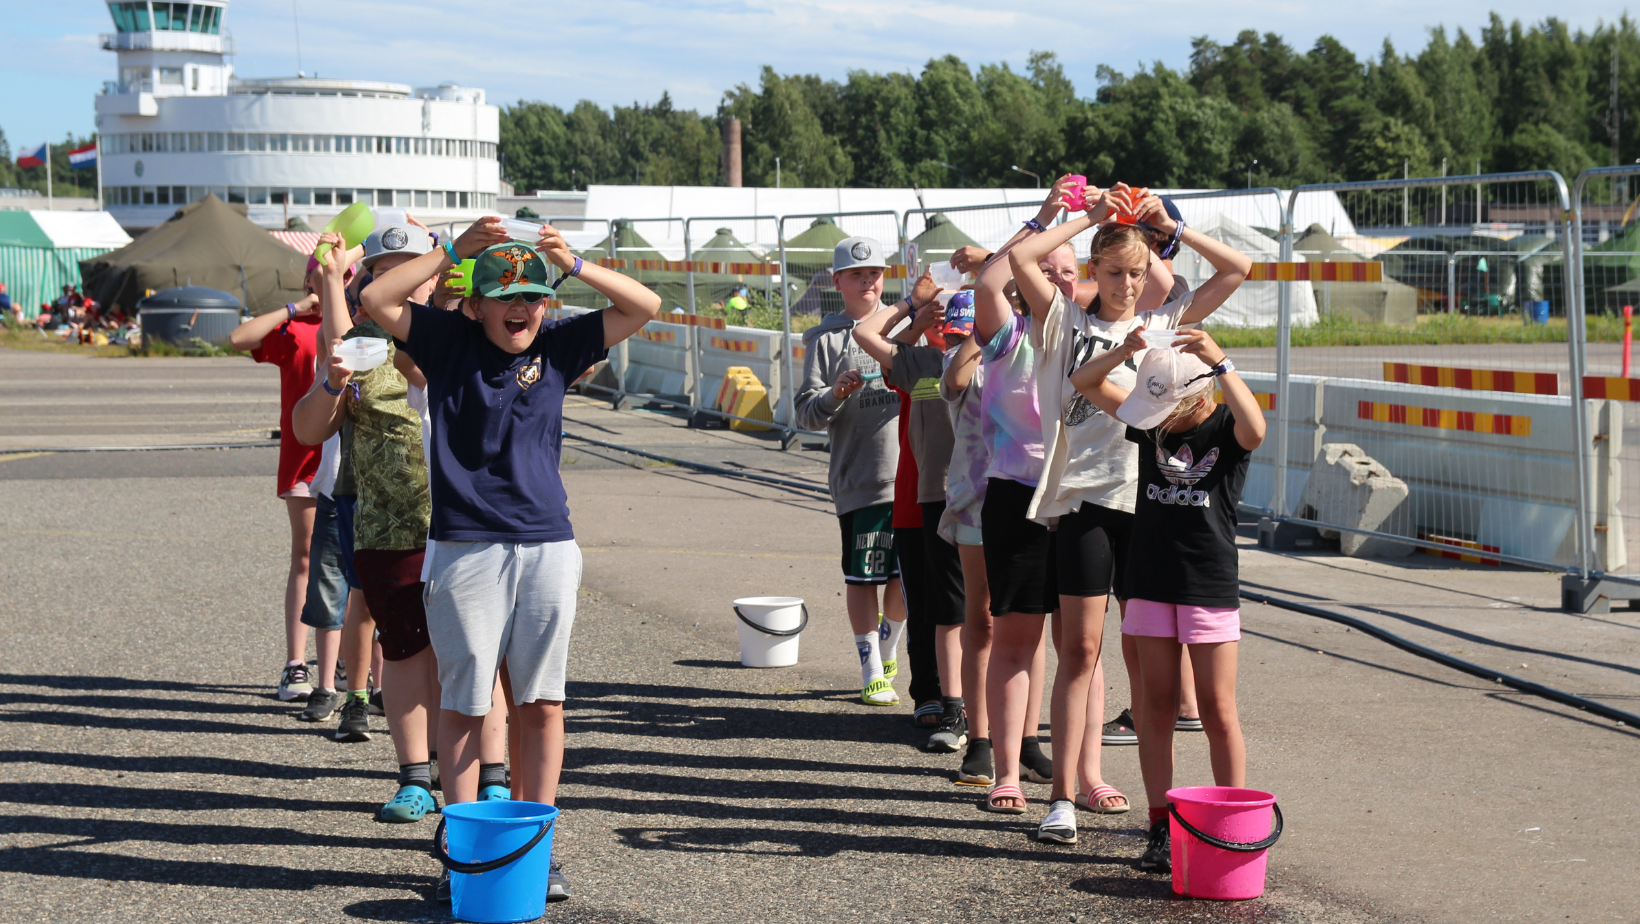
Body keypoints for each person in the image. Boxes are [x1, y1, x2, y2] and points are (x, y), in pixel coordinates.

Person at [359, 216, 660, 903]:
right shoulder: (447, 341)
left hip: (549, 544)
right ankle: (461, 852)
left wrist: (574, 262)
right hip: (466, 547)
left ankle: (534, 847)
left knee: (543, 702)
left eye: (534, 295)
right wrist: (450, 252)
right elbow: (377, 304)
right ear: (475, 304)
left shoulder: (557, 344)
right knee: (464, 704)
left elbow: (645, 306)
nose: (522, 307)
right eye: (506, 295)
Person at [1010, 183, 1250, 844]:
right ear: (1094, 270)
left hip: (1150, 507)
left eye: (1136, 273)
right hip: (1086, 501)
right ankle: (1060, 798)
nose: (1124, 284)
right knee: (1079, 649)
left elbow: (1237, 272)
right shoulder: (1067, 325)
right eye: (1113, 272)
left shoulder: (1165, 326)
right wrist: (1087, 217)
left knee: (1148, 670)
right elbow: (1023, 263)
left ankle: (1158, 812)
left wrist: (1170, 229)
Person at [1069, 326, 1261, 874]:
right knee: (1154, 704)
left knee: (1217, 708)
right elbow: (1084, 383)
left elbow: (1258, 428)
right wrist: (1129, 352)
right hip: (1149, 580)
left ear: (1201, 394)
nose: (1157, 418)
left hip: (1207, 584)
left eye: (1168, 406)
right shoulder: (1149, 423)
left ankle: (1232, 821)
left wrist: (1220, 361)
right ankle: (1160, 824)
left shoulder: (1226, 427)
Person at [852, 272, 969, 751]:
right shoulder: (919, 362)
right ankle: (929, 694)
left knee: (959, 607)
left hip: (964, 498)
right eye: (941, 315)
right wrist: (914, 311)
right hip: (913, 498)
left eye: (952, 312)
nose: (947, 320)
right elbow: (874, 339)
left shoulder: (980, 358)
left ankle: (963, 700)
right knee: (923, 603)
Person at [792, 237, 909, 706]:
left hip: (912, 478)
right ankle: (870, 667)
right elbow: (805, 413)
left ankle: (889, 647)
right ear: (837, 281)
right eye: (857, 274)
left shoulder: (906, 327)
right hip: (860, 480)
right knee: (864, 577)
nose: (868, 281)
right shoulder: (826, 338)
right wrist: (835, 395)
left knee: (905, 577)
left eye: (875, 273)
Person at [971, 215, 1061, 813]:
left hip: (1079, 497)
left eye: (1070, 273)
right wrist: (1047, 220)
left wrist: (1136, 218)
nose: (1057, 281)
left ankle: (1080, 775)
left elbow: (1152, 286)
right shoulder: (1010, 334)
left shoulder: (1087, 331)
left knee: (1081, 648)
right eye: (1046, 270)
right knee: (1015, 637)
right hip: (1017, 493)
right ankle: (1007, 772)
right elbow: (986, 284)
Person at [229, 271, 327, 701]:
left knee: (357, 564)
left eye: (340, 274)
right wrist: (292, 309)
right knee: (305, 556)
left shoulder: (361, 321)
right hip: (305, 461)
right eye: (319, 275)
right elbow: (238, 339)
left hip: (351, 462)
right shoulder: (295, 328)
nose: (328, 282)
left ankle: (344, 663)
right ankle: (296, 663)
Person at [937, 289, 1000, 784]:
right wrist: (977, 335)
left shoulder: (1031, 347)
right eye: (956, 332)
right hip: (974, 500)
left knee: (1025, 623)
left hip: (1030, 496)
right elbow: (953, 381)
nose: (959, 339)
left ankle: (1022, 739)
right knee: (980, 617)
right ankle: (979, 738)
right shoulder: (967, 360)